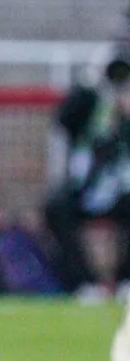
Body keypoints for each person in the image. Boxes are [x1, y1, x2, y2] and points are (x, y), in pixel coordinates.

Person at [45, 49, 130, 306]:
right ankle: (85, 283)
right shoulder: (89, 104)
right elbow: (62, 119)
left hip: (122, 188)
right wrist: (93, 81)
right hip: (84, 190)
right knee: (56, 208)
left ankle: (126, 281)